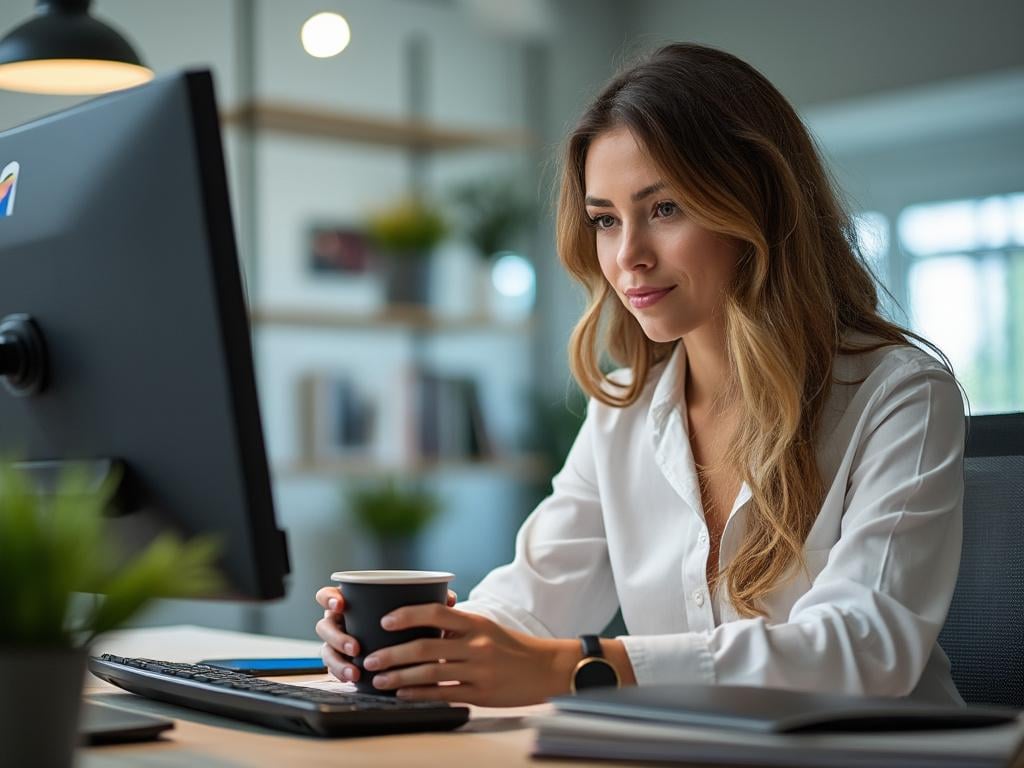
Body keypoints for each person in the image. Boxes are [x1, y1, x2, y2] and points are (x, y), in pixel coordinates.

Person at [315, 42, 965, 708]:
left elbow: (867, 647)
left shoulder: (899, 395)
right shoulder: (625, 411)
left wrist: (593, 665)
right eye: (605, 219)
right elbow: (531, 607)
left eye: (665, 209)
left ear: (757, 206)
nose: (628, 256)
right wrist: (418, 644)